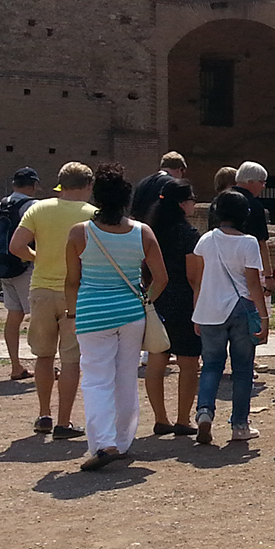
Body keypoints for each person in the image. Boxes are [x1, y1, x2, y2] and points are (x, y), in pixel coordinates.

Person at [66, 164, 169, 471]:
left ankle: (103, 443)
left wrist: (72, 313)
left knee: (97, 379)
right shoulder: (142, 232)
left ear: (96, 198)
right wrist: (145, 300)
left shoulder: (80, 233)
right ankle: (122, 442)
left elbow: (72, 281)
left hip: (92, 313)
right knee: (126, 377)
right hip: (131, 313)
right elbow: (161, 278)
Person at [10, 162, 96, 440]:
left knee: (44, 355)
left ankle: (44, 414)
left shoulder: (39, 209)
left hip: (42, 288)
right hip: (76, 292)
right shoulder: (92, 215)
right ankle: (63, 421)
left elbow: (16, 246)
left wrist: (38, 257)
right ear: (88, 185)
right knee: (71, 359)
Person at [192, 188, 269, 447]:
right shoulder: (248, 242)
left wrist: (196, 312)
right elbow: (253, 283)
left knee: (211, 365)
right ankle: (239, 425)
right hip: (241, 307)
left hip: (209, 309)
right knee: (243, 369)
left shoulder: (205, 240)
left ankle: (204, 411)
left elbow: (198, 280)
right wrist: (264, 316)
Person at [145, 179, 202, 437]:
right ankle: (183, 419)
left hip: (156, 298)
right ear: (182, 203)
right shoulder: (188, 234)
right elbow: (193, 275)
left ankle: (160, 418)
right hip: (184, 299)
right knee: (188, 363)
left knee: (157, 360)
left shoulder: (151, 231)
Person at [0, 166, 40, 385]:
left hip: (3, 265)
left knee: (14, 316)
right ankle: (43, 364)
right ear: (34, 185)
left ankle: (16, 365)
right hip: (25, 265)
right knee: (39, 317)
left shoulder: (2, 204)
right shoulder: (32, 206)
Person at [130, 150, 188, 222]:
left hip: (141, 226)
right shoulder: (174, 184)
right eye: (183, 172)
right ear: (180, 169)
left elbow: (133, 214)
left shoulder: (142, 182)